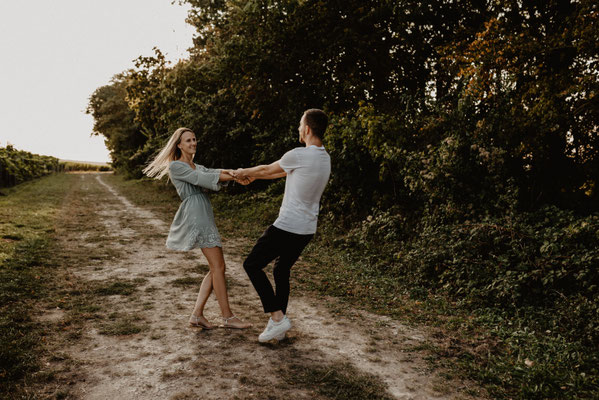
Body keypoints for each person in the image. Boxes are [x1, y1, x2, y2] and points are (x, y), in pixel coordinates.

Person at [233, 109, 331, 342]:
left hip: (288, 226)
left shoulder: (299, 154)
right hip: (306, 229)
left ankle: (277, 318)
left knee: (252, 264)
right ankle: (280, 327)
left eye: (300, 125)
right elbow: (277, 173)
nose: (298, 129)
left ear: (307, 129)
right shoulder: (324, 157)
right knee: (280, 270)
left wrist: (242, 173)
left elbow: (269, 168)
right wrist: (255, 176)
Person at [143, 127, 251, 330]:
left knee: (216, 267)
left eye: (194, 139)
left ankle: (197, 315)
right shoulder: (177, 166)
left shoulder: (194, 165)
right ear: (179, 145)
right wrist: (238, 176)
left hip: (203, 212)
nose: (193, 143)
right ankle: (227, 317)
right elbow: (204, 179)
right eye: (188, 140)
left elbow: (213, 173)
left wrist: (238, 173)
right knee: (218, 267)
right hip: (196, 214)